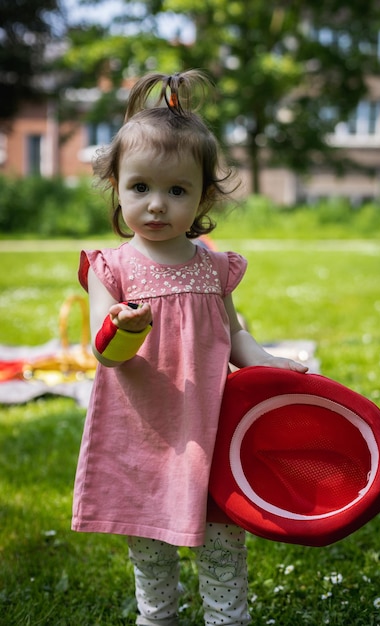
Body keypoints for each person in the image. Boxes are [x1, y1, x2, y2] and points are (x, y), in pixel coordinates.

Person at [72, 69, 308, 626]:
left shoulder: (213, 267)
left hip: (209, 425)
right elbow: (105, 354)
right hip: (143, 428)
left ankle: (228, 617)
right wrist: (123, 330)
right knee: (151, 547)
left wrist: (270, 362)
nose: (156, 205)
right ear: (118, 186)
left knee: (221, 537)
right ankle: (157, 618)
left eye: (176, 191)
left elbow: (236, 336)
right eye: (140, 188)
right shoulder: (113, 267)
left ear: (203, 195)